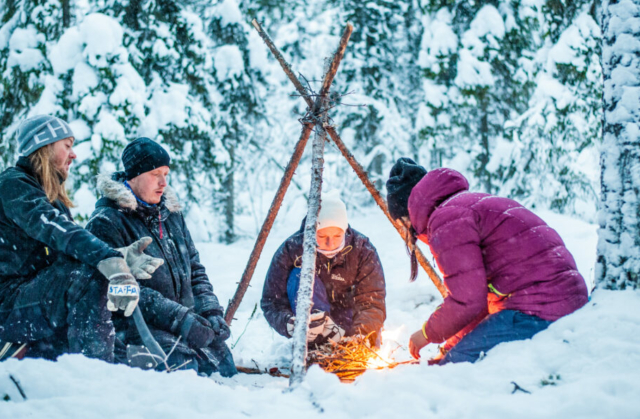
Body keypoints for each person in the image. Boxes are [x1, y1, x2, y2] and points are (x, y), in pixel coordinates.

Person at [386, 158, 589, 364]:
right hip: (565, 299)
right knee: (452, 358)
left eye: (401, 223)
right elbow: (478, 299)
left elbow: (467, 300)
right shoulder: (465, 205)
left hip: (538, 310)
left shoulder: (446, 221)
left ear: (406, 215)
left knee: (455, 369)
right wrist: (450, 346)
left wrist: (426, 334)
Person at [0, 115, 161, 362]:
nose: (73, 154)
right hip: (8, 306)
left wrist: (119, 257)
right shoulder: (13, 185)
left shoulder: (50, 198)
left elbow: (69, 251)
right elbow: (56, 229)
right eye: (67, 145)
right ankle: (98, 376)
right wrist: (108, 258)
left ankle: (116, 366)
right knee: (87, 276)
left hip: (33, 301)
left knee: (91, 273)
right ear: (43, 146)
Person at [86, 138, 236, 377]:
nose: (163, 182)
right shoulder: (107, 222)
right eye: (155, 173)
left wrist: (210, 311)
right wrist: (180, 319)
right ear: (133, 176)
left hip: (184, 324)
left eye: (166, 173)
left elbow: (194, 268)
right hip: (137, 330)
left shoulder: (171, 214)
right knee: (183, 372)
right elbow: (117, 290)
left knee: (225, 368)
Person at [261, 190, 386, 346]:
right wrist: (290, 324)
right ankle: (317, 336)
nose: (330, 243)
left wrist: (361, 334)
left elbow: (372, 301)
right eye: (322, 236)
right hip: (313, 328)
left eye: (336, 236)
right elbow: (271, 302)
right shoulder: (292, 250)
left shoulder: (362, 250)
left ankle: (348, 344)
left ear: (345, 231)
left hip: (351, 323)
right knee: (299, 275)